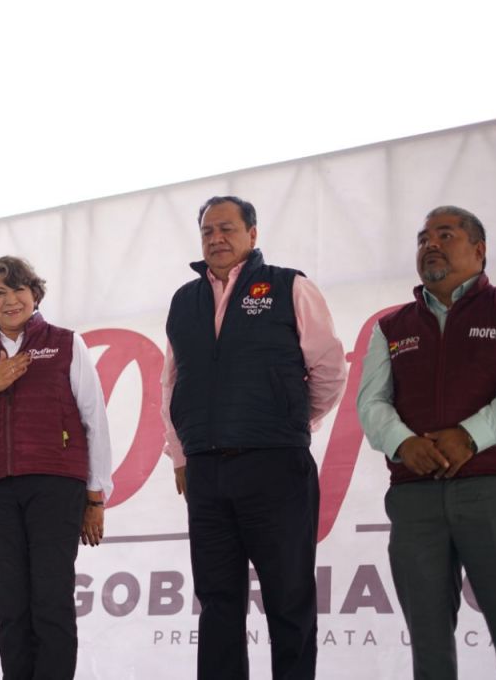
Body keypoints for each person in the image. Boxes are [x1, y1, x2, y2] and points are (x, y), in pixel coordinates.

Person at [161, 196, 346, 680]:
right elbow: (171, 384)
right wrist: (180, 454)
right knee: (217, 603)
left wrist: (288, 423)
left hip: (276, 466)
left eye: (226, 228)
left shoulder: (289, 286)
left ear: (252, 234)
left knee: (289, 598)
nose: (216, 238)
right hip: (205, 471)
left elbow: (329, 368)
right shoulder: (184, 301)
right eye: (207, 231)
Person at [356, 205, 496, 679]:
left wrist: (470, 437)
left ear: (479, 250)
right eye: (423, 239)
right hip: (415, 497)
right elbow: (371, 403)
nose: (430, 245)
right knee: (429, 645)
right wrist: (403, 444)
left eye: (445, 235)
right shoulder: (390, 327)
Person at [0, 255, 113, 680]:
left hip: (57, 484)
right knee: (11, 604)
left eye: (18, 289)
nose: (10, 299)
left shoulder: (66, 343)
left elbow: (94, 418)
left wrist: (95, 497)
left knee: (51, 600)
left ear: (35, 295)